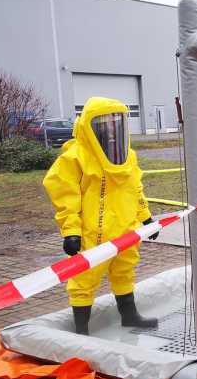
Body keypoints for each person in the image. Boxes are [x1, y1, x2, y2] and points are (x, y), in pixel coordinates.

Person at [43, 96, 159, 335]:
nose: (110, 129)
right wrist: (71, 231)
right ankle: (81, 328)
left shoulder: (128, 156)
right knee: (84, 277)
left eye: (114, 123)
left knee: (125, 270)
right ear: (88, 126)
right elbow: (65, 196)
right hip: (93, 232)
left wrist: (146, 219)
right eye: (103, 124)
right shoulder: (75, 157)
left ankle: (129, 316)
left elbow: (135, 189)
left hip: (126, 228)